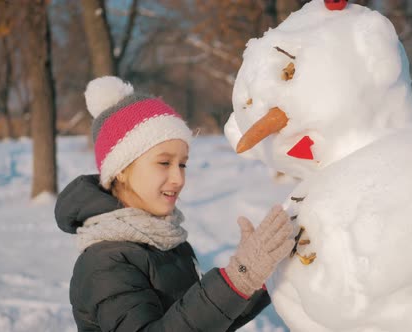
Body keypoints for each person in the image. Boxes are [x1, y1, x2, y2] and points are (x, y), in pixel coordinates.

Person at [54, 76, 296, 331]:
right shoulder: (105, 262)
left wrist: (257, 278)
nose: (178, 178)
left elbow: (203, 322)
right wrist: (238, 278)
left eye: (182, 164)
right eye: (164, 163)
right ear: (120, 170)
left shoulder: (167, 242)